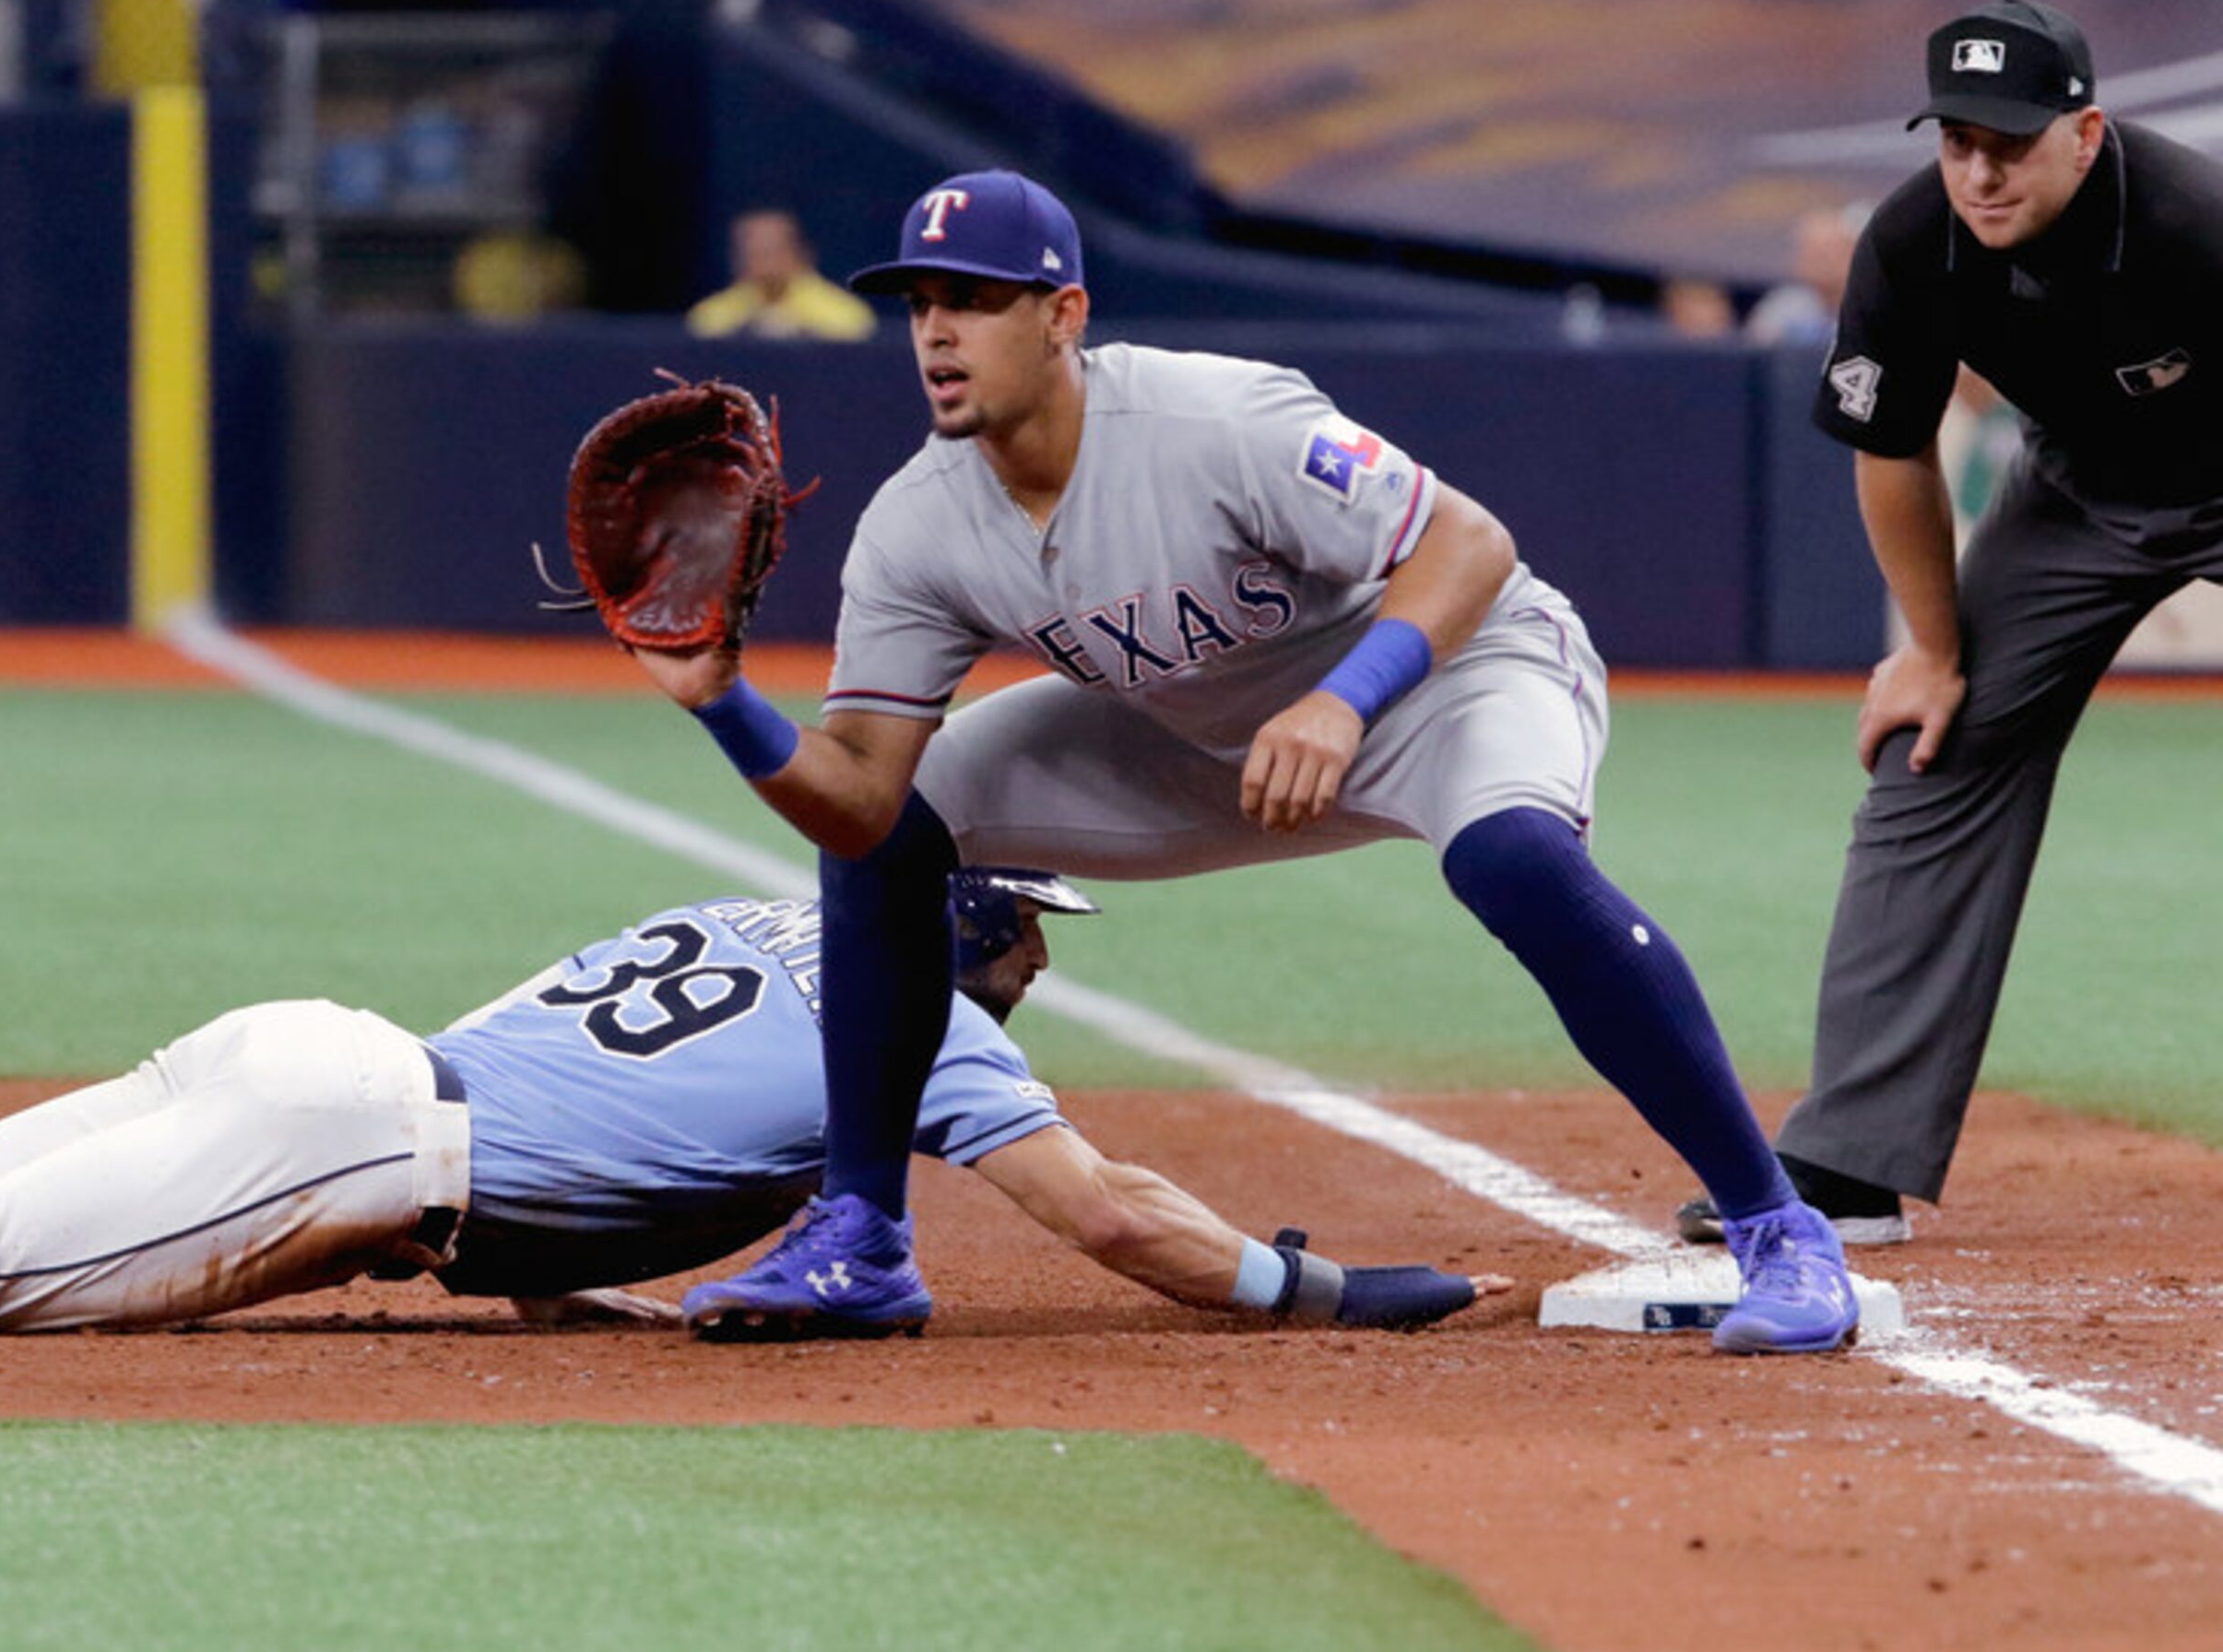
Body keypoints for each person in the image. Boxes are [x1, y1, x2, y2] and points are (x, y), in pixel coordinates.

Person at [630, 167, 1861, 1355]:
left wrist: (1342, 699)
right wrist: (723, 700)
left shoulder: (1208, 419)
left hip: (1445, 668)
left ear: (1062, 315)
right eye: (920, 304)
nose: (938, 332)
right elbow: (856, 799)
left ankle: (1775, 1227)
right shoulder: (916, 526)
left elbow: (1467, 544)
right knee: (907, 824)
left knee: (1513, 858)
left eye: (975, 299)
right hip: (1196, 727)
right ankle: (862, 1233)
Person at [0, 869, 1505, 1348]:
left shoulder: (753, 912)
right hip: (366, 1140)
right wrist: (1308, 1278)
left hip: (330, 1054)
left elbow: (596, 1117)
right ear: (978, 915)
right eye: (1030, 921)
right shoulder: (927, 1023)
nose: (1044, 954)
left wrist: (583, 1295)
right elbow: (1113, 1214)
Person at [1678, 0, 2223, 1249]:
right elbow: (1890, 446)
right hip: (2082, 492)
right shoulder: (1914, 242)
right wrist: (1929, 652)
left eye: (2010, 143)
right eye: (1957, 140)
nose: (1979, 170)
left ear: (2083, 135)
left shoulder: (2193, 222)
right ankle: (1848, 1162)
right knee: (1933, 745)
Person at [686, 208, 879, 343]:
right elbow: (702, 328)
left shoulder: (842, 312)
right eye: (754, 253)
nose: (765, 263)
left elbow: (856, 328)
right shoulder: (715, 314)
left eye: (773, 251)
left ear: (801, 253)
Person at [1742, 205, 1862, 351]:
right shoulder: (1783, 307)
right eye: (1811, 253)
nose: (1821, 262)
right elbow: (1757, 350)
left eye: (1829, 252)